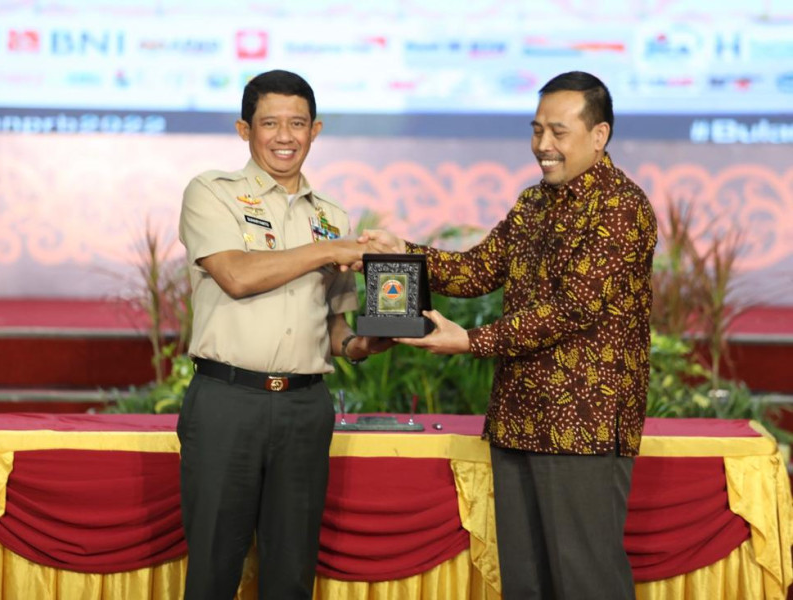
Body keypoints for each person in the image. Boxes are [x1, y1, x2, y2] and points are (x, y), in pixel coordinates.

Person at [364, 71, 657, 599]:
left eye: (558, 132)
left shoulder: (621, 208)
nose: (543, 145)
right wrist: (401, 251)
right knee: (526, 583)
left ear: (599, 135)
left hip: (582, 427)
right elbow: (476, 270)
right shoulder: (533, 203)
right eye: (536, 129)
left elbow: (571, 309)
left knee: (585, 581)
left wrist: (471, 342)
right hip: (519, 418)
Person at [177, 69, 391, 600]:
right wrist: (330, 251)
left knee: (292, 574)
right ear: (243, 129)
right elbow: (237, 276)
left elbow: (336, 330)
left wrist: (368, 343)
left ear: (315, 130)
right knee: (213, 569)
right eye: (269, 123)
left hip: (304, 408)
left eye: (297, 123)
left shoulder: (329, 217)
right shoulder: (213, 192)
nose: (284, 136)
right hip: (228, 400)